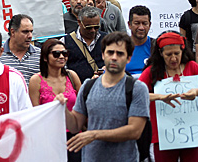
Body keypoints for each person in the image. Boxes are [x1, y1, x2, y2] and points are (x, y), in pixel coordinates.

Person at [57, 32, 149, 162]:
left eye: (120, 53)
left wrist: (94, 134)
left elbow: (135, 131)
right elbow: (75, 126)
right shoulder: (88, 86)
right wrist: (63, 109)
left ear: (129, 58)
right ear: (103, 55)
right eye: (110, 52)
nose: (114, 57)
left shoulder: (137, 88)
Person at [138, 31, 198, 161]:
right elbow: (137, 93)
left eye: (176, 53)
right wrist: (160, 97)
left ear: (182, 51)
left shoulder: (192, 67)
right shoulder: (152, 71)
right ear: (161, 53)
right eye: (168, 54)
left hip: (192, 135)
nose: (173, 58)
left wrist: (197, 92)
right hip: (164, 136)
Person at [28, 39, 81, 162]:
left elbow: (82, 105)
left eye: (65, 53)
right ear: (45, 57)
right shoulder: (36, 81)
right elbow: (35, 114)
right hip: (49, 137)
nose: (61, 57)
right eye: (56, 54)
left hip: (74, 137)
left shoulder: (72, 76)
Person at [63, 6, 108, 83]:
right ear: (79, 22)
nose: (93, 30)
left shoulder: (107, 39)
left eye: (96, 27)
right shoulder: (65, 41)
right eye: (88, 27)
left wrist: (107, 68)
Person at [0, 14, 41, 84]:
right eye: (25, 32)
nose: (30, 36)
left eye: (31, 31)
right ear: (13, 32)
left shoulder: (40, 55)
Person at [125, 5, 153, 75]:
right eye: (137, 23)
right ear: (129, 24)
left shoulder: (156, 47)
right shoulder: (120, 47)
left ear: (149, 25)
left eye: (144, 23)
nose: (141, 27)